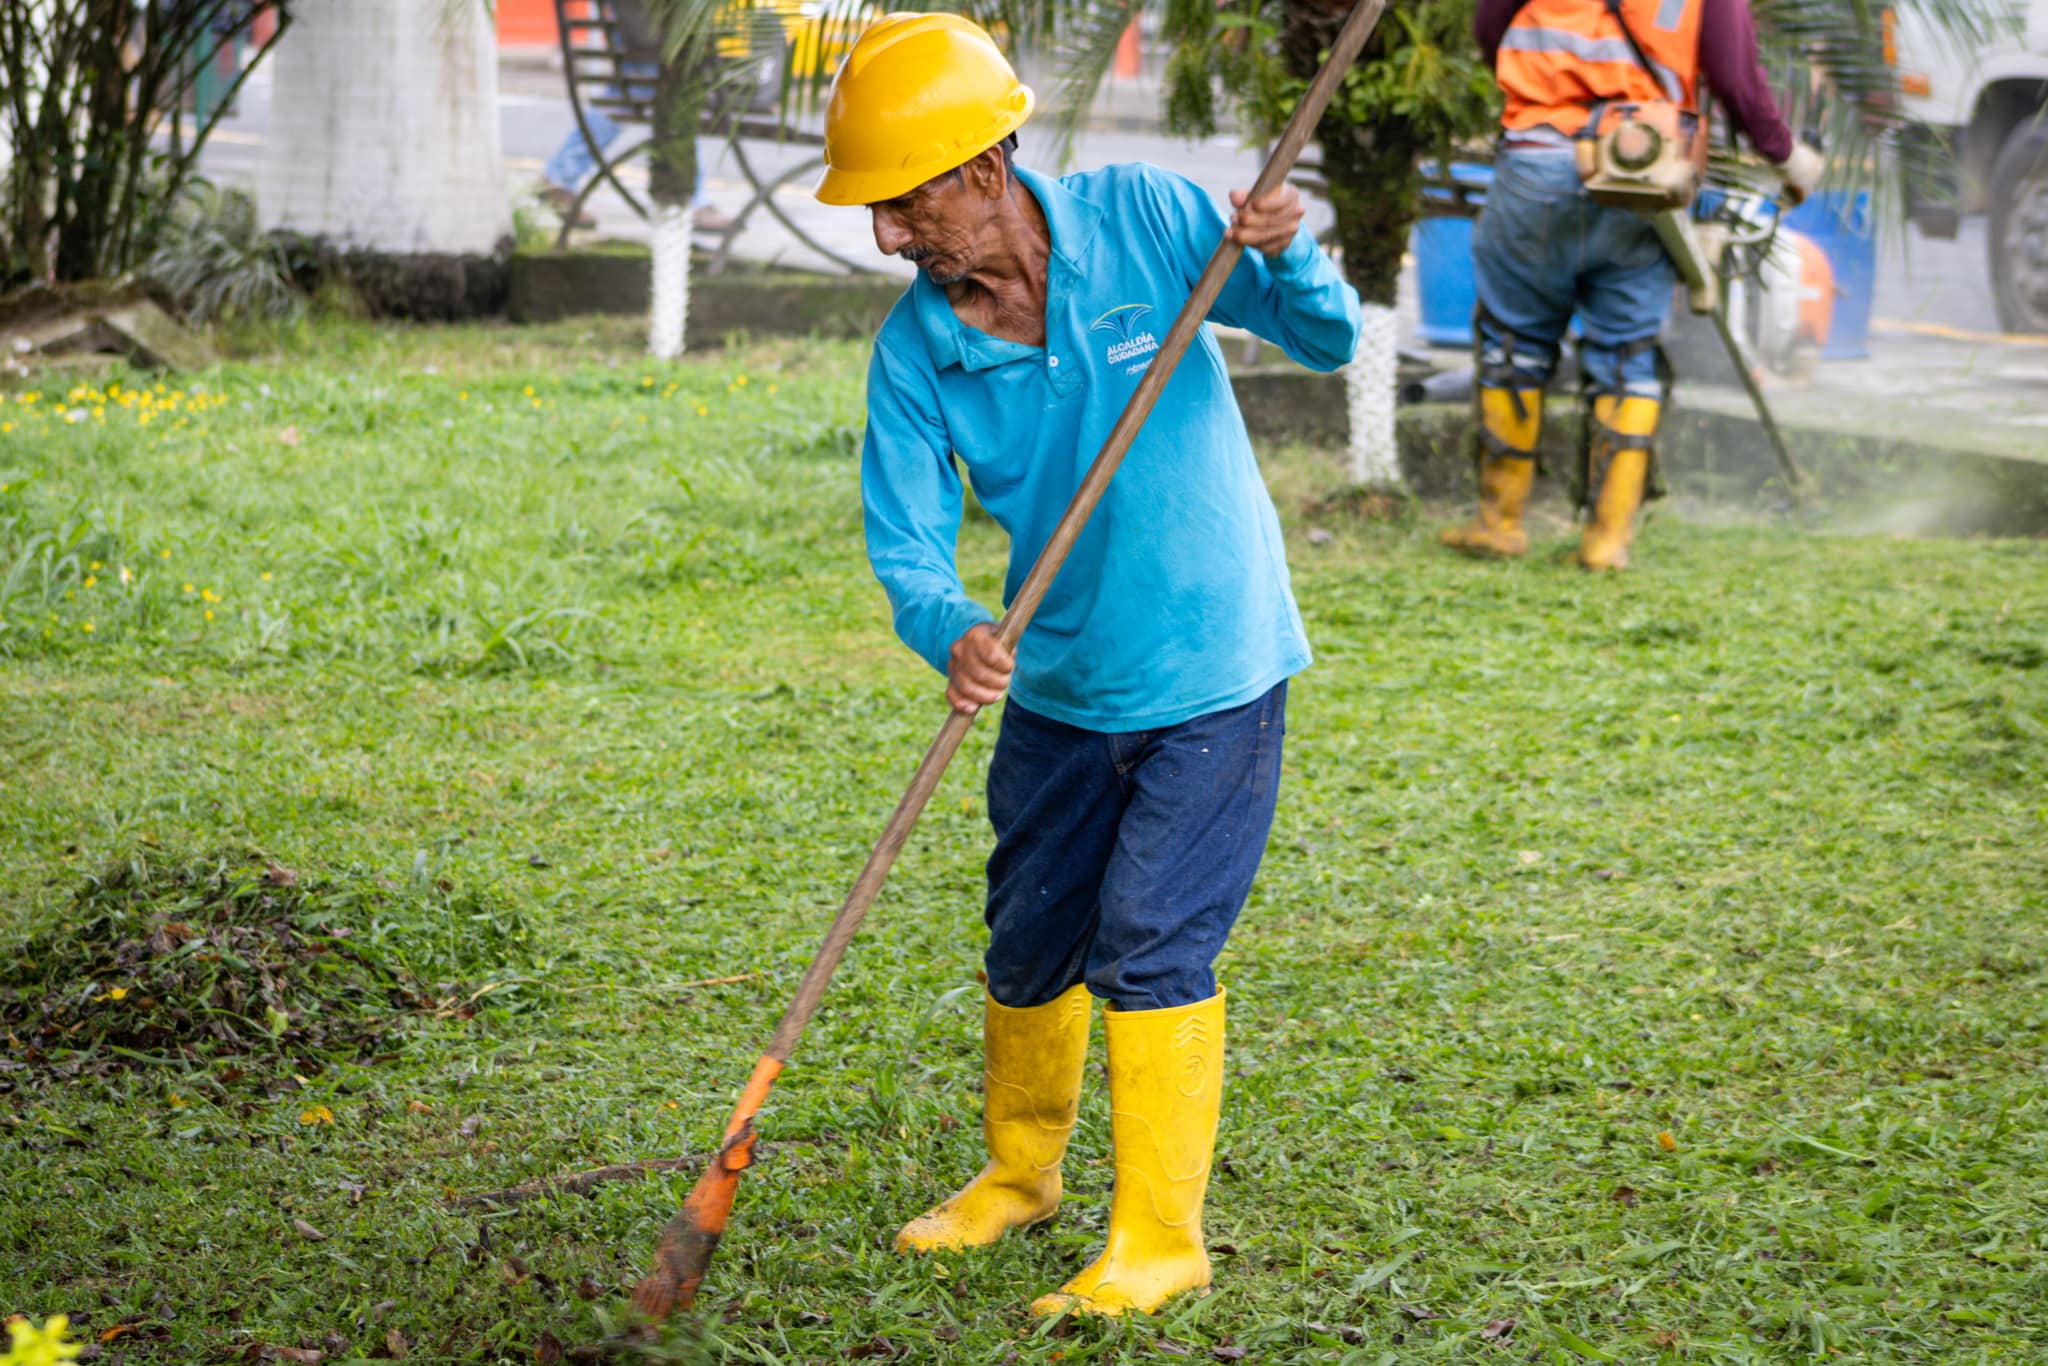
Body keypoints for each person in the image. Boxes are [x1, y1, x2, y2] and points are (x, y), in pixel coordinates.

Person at [811, 13, 1360, 1317]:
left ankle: (1160, 1240)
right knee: (1031, 936)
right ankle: (1020, 1176)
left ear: (982, 168)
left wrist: (1284, 253)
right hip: (1056, 687)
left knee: (1152, 937)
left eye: (903, 203)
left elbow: (1326, 340)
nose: (885, 236)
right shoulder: (917, 350)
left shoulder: (1149, 220)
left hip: (1213, 666)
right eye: (876, 210)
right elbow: (907, 543)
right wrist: (952, 628)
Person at [1440, 0, 1824, 569]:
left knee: (1512, 344)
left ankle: (1499, 523)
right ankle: (1606, 539)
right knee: (1628, 351)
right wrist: (1790, 161)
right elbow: (1737, 81)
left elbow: (1490, 27)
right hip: (1642, 167)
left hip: (1537, 159)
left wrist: (1547, 88)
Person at [537, 0, 733, 232]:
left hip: (650, 39)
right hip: (654, 41)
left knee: (631, 98)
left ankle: (560, 175)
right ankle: (692, 199)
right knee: (675, 96)